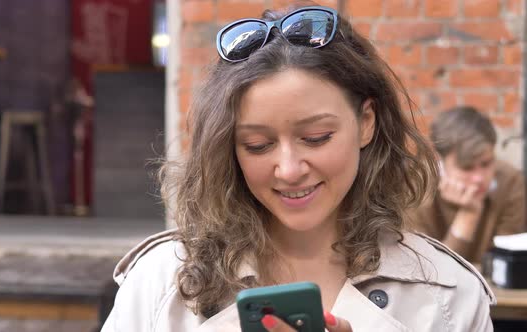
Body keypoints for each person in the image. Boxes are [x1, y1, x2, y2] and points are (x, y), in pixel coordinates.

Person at [101, 4, 494, 331]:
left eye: (317, 137)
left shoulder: (448, 296)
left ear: (367, 122)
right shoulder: (163, 281)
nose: (288, 170)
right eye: (258, 145)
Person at [408, 105, 526, 263]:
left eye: (486, 163)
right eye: (467, 167)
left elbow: (508, 261)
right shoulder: (415, 188)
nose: (479, 178)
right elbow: (429, 270)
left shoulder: (511, 182)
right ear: (440, 161)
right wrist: (468, 214)